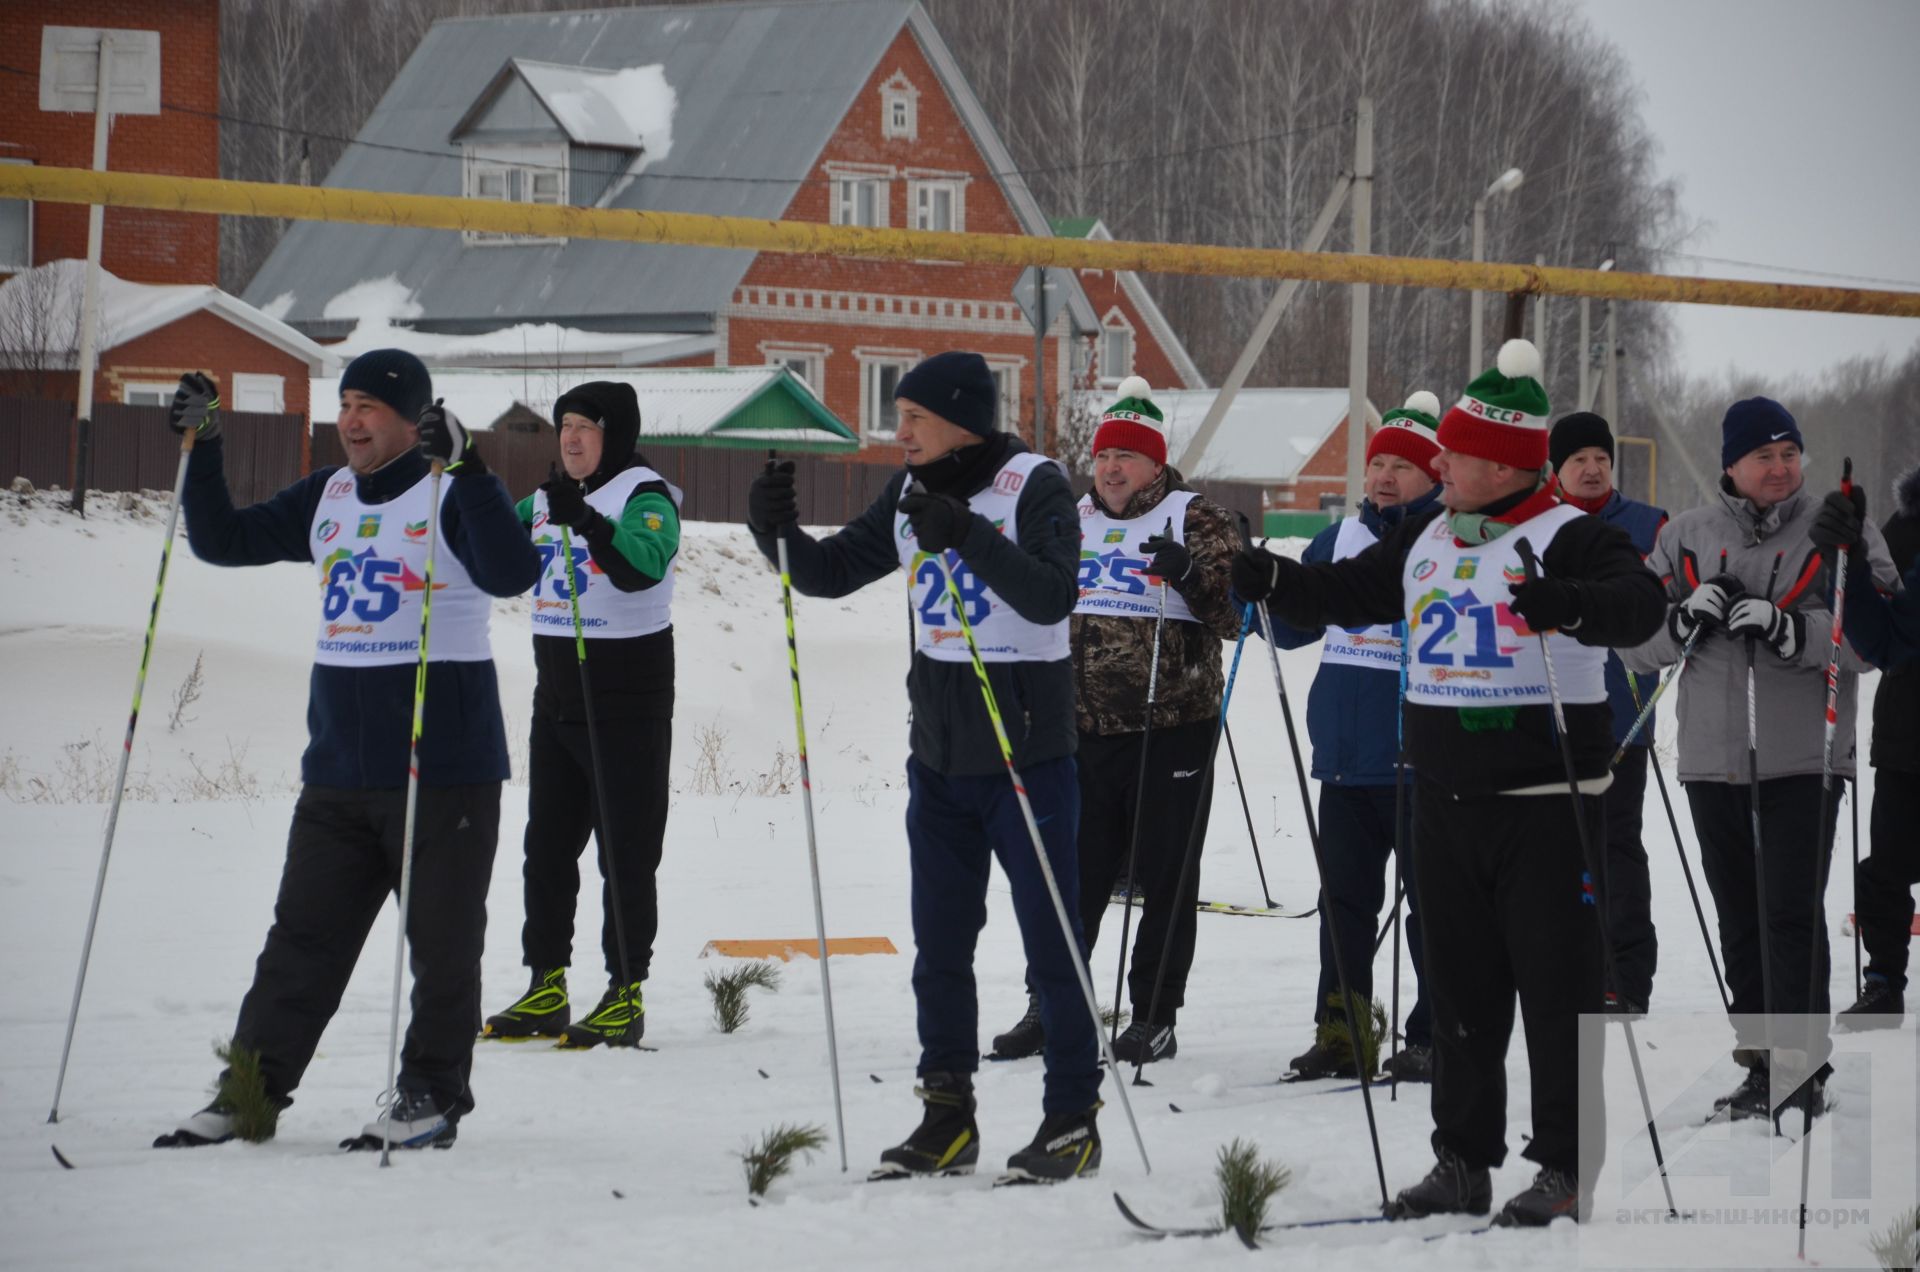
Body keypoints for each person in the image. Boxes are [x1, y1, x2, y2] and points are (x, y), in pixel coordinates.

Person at [1231, 340, 1665, 1226]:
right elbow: (1350, 591)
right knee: (1461, 992)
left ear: (1502, 465)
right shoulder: (1426, 533)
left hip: (1546, 806)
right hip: (1443, 800)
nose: (1438, 464)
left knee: (1554, 990)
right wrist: (1277, 579)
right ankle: (1462, 1159)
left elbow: (1639, 605)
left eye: (1455, 454)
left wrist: (1570, 604)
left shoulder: (1572, 535)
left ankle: (1564, 1167)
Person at [156, 351, 541, 1149]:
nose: (352, 420)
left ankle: (430, 1096)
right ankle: (249, 1096)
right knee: (299, 941)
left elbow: (511, 571)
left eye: (369, 405)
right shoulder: (328, 493)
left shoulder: (451, 487)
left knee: (441, 946)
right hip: (337, 769)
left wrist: (469, 466)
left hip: (443, 770)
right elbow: (223, 541)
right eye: (346, 404)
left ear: (412, 417)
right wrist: (207, 445)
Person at [745, 351, 1102, 1182]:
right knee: (941, 946)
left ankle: (1071, 1116)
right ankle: (947, 1114)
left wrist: (967, 534)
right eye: (897, 416)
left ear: (959, 422)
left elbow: (1054, 595)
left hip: (1025, 756)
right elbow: (830, 574)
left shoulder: (1033, 484)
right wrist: (775, 532)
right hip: (940, 758)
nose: (896, 431)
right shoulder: (908, 493)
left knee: (1051, 943)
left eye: (912, 418)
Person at [1622, 398, 1896, 1123]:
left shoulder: (1839, 530)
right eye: (1763, 456)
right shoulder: (1685, 536)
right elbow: (1632, 642)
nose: (1780, 468)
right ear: (1731, 466)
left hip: (1805, 759)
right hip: (1713, 762)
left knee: (1789, 915)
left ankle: (1801, 1070)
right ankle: (1759, 1063)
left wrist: (1791, 633)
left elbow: (1875, 645)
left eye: (1789, 453)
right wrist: (1681, 619)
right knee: (1739, 918)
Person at [987, 377, 1240, 1066]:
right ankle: (1051, 1003)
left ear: (1156, 465)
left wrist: (1189, 573)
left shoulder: (1196, 519)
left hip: (1172, 727)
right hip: (1080, 729)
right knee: (1070, 875)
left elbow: (1235, 617)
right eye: (1103, 455)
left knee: (1165, 874)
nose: (1112, 467)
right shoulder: (1071, 518)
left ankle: (1154, 1012)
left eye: (1128, 455)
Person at [481, 382, 682, 1048]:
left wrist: (590, 523)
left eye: (585, 427)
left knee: (625, 853)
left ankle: (625, 991)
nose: (569, 438)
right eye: (563, 425)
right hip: (558, 697)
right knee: (546, 847)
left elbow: (639, 570)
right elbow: (489, 552)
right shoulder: (539, 502)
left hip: (628, 699)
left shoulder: (645, 496)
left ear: (614, 434)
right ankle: (547, 983)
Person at [1264, 391, 1443, 1084]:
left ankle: (1432, 1035)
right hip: (1344, 763)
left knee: (1432, 912)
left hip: (1420, 764)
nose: (1385, 476)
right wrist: (1264, 590)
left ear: (1436, 475)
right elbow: (1293, 626)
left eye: (1403, 464)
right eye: (1378, 464)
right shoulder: (1337, 541)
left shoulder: (1443, 542)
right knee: (1343, 908)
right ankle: (1342, 1033)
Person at [1551, 412, 1668, 1016]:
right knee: (1550, 852)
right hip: (1546, 718)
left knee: (1616, 847)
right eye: (1578, 460)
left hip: (1622, 719)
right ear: (1557, 469)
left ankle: (1624, 975)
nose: (1592, 468)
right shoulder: (1539, 524)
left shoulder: (1647, 525)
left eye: (1601, 457)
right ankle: (1559, 970)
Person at [1810, 463, 1919, 1029]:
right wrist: (1846, 551)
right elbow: (1880, 637)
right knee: (1888, 867)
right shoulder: (1909, 527)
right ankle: (1883, 982)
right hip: (1908, 736)